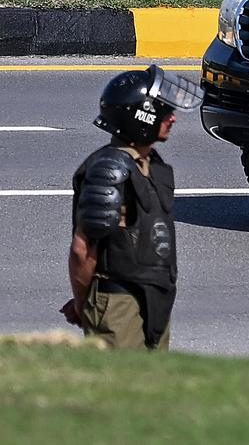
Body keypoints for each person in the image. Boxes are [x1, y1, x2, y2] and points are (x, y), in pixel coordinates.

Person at [62, 65, 202, 350]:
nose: (172, 117)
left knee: (152, 389)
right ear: (141, 117)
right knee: (118, 388)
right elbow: (83, 249)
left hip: (155, 297)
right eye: (164, 110)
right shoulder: (108, 169)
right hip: (119, 300)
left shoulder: (153, 165)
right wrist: (84, 303)